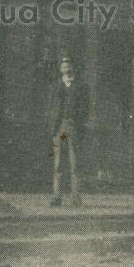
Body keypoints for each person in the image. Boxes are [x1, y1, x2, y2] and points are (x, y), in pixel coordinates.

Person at [45, 55, 90, 207]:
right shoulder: (55, 86)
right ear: (60, 69)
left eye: (69, 65)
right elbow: (50, 108)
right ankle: (57, 196)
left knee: (74, 162)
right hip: (60, 128)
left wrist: (80, 125)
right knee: (58, 162)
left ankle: (76, 198)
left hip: (74, 127)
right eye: (64, 66)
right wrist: (52, 127)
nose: (66, 68)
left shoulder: (82, 86)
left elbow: (86, 109)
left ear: (73, 67)